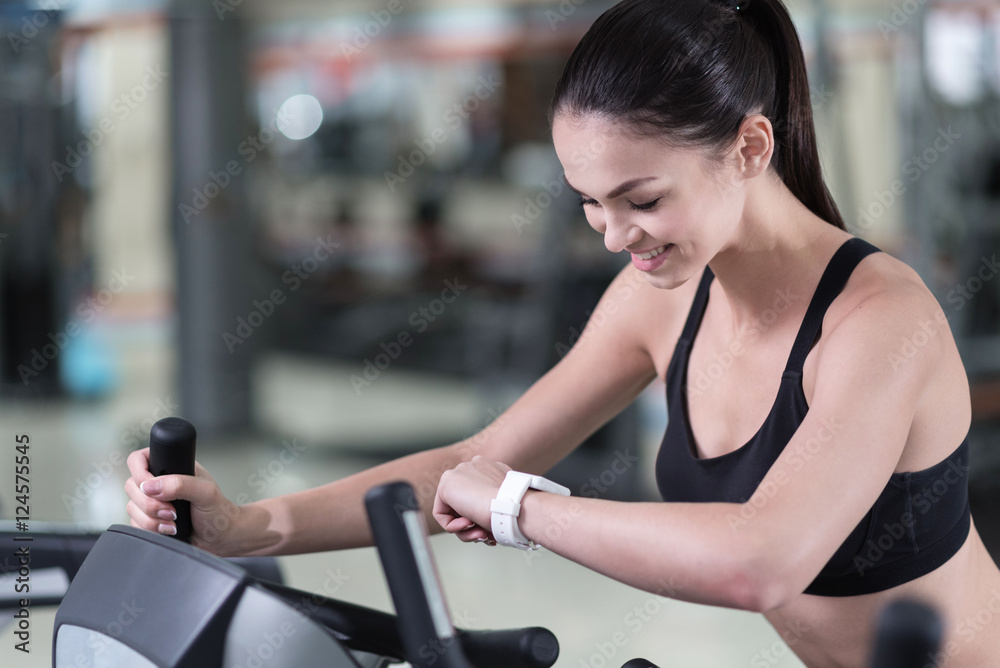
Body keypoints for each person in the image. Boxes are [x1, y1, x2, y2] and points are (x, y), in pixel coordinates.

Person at [125, 0, 1000, 665]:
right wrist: (247, 526)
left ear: (750, 147)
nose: (616, 237)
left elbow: (763, 561)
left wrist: (521, 509)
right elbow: (473, 459)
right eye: (590, 203)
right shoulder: (661, 299)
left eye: (643, 200)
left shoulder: (881, 320)